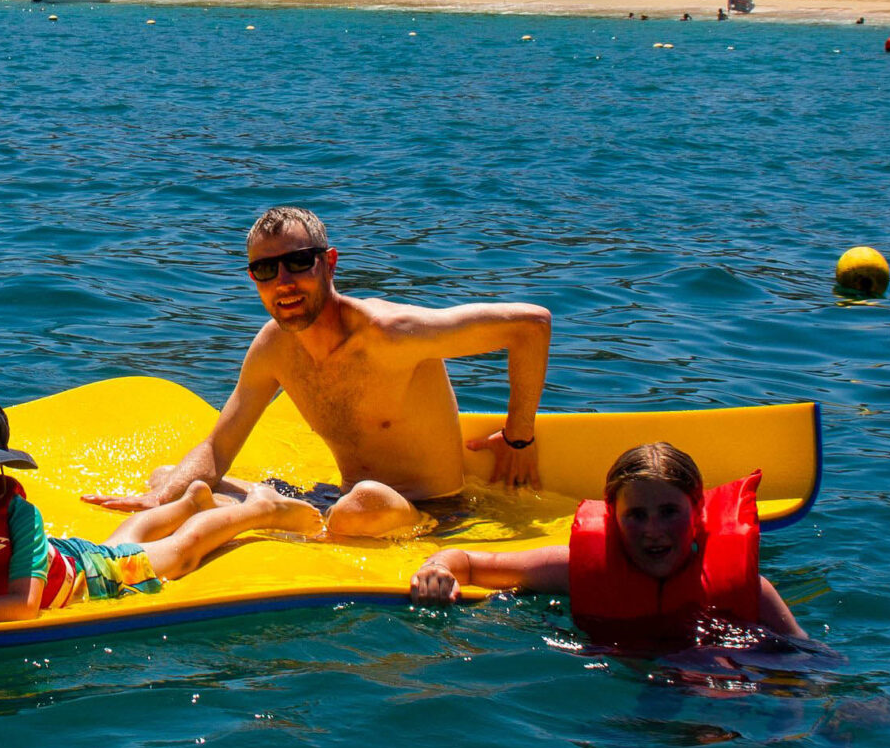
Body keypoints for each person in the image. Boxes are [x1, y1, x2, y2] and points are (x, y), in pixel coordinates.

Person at [90, 207, 550, 540]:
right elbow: (217, 447)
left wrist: (519, 437)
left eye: (298, 262)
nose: (283, 283)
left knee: (365, 500)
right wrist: (160, 499)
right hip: (332, 500)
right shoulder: (274, 347)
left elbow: (531, 325)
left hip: (429, 512)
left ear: (328, 262)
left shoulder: (392, 333)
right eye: (265, 270)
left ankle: (272, 515)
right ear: (253, 279)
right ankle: (278, 514)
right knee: (173, 477)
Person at [0, 388, 315, 628]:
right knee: (121, 540)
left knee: (180, 554)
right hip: (59, 557)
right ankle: (192, 500)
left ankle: (258, 511)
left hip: (90, 579)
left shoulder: (19, 516)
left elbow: (22, 609)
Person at [409, 441, 805, 645]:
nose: (653, 529)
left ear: (698, 509)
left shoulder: (751, 589)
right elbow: (471, 562)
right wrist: (437, 570)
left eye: (669, 511)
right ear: (613, 517)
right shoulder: (571, 569)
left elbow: (809, 659)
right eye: (636, 515)